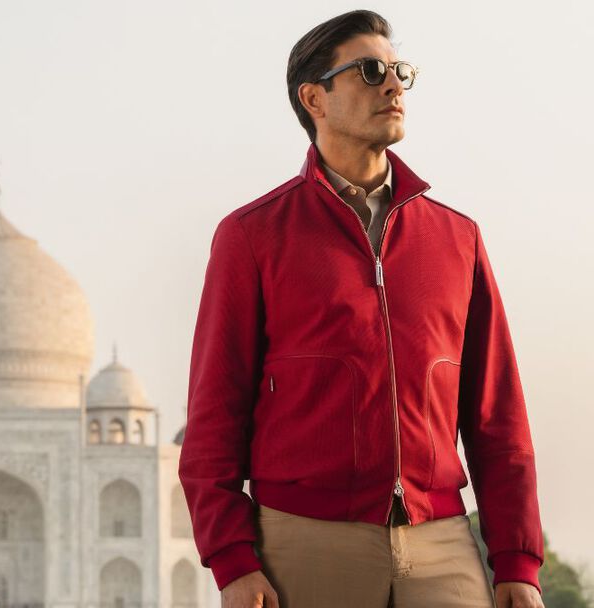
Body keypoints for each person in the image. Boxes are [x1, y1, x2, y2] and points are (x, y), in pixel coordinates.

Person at [177, 9, 545, 608]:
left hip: (444, 544)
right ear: (314, 97)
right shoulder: (253, 235)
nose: (394, 85)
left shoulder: (456, 237)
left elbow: (497, 417)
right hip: (304, 543)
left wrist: (518, 562)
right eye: (371, 71)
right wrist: (231, 559)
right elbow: (215, 412)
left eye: (400, 70)